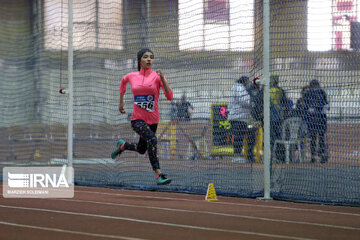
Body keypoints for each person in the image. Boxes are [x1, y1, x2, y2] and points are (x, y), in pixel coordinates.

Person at [111, 48, 173, 185]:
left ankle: (123, 146)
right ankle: (159, 174)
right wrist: (120, 102)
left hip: (153, 120)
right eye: (145, 57)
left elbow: (170, 97)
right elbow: (123, 81)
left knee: (141, 149)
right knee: (152, 139)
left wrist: (162, 78)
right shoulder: (132, 76)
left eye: (151, 57)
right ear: (140, 61)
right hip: (137, 119)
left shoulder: (157, 77)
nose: (149, 59)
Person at [228, 76, 253, 162]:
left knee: (240, 137)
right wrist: (252, 102)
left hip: (241, 117)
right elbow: (243, 100)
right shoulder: (239, 87)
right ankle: (236, 156)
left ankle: (237, 155)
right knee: (238, 136)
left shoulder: (240, 88)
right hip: (238, 117)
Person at [304, 79, 329, 163]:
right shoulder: (310, 93)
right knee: (314, 138)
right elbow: (306, 106)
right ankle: (314, 156)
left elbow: (326, 105)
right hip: (315, 119)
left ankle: (320, 155)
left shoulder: (320, 92)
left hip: (318, 118)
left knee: (319, 138)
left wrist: (323, 109)